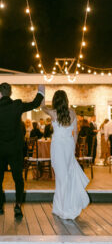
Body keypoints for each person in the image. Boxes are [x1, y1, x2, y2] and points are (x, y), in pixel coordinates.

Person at [0, 83, 44, 218]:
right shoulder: (17, 105)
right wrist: (41, 92)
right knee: (18, 178)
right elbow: (34, 104)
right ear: (10, 93)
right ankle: (17, 205)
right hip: (15, 148)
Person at [42, 90, 89, 220]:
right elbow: (76, 132)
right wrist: (73, 149)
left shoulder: (53, 113)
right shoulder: (72, 113)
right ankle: (59, 207)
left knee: (61, 177)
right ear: (66, 100)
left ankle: (63, 208)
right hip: (68, 145)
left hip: (57, 146)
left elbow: (42, 106)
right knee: (66, 176)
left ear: (55, 101)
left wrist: (42, 92)